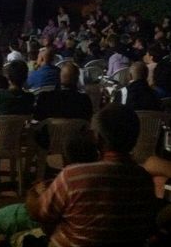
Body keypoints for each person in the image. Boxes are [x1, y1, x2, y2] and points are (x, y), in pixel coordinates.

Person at [25, 104, 157, 247]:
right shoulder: (144, 179)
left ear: (98, 138)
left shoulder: (73, 175)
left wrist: (34, 192)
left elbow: (38, 213)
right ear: (135, 139)